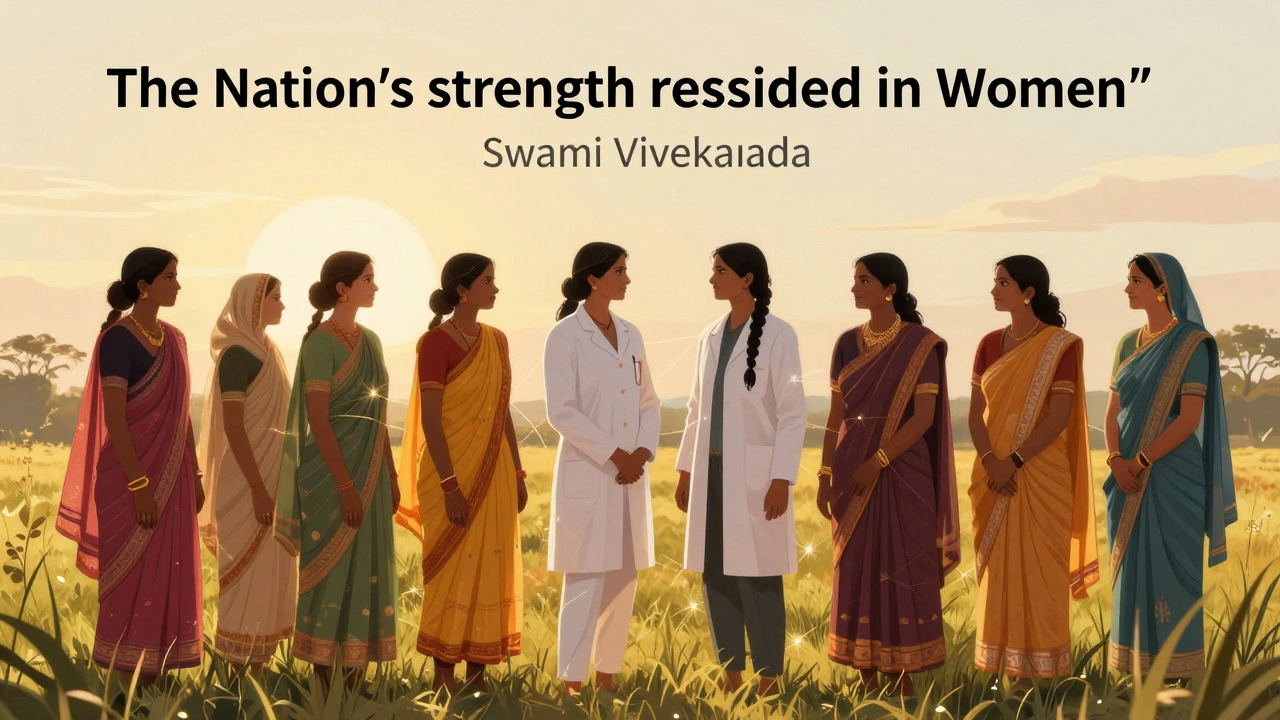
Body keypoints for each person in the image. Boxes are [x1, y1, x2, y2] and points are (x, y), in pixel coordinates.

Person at [56, 247, 205, 696]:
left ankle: (153, 689)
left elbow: (182, 415)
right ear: (144, 286)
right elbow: (116, 419)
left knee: (167, 577)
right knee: (130, 581)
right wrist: (140, 484)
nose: (177, 285)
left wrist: (194, 475)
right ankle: (125, 693)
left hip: (174, 477)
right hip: (129, 480)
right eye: (170, 277)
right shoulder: (118, 339)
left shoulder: (175, 338)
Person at [816, 253, 960, 697]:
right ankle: (867, 676)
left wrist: (877, 462)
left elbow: (922, 418)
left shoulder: (921, 344)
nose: (855, 287)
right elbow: (836, 415)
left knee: (902, 564)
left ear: (890, 288)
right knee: (859, 566)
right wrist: (825, 473)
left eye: (864, 280)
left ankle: (904, 679)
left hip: (902, 473)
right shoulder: (844, 343)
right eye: (854, 279)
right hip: (850, 471)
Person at [673, 243, 806, 697]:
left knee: (759, 578)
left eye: (720, 271)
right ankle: (731, 677)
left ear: (747, 278)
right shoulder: (708, 335)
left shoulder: (779, 334)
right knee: (717, 575)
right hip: (710, 475)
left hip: (755, 476)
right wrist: (686, 471)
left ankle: (769, 680)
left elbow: (791, 413)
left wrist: (782, 477)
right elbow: (696, 409)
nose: (712, 279)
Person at [396, 254, 528, 693]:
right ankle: (443, 675)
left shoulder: (498, 340)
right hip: (448, 476)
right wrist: (451, 486)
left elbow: (500, 410)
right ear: (462, 290)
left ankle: (477, 672)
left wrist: (518, 470)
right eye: (488, 281)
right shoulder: (435, 342)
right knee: (449, 568)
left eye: (495, 279)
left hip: (495, 474)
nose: (495, 288)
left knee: (489, 565)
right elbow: (432, 421)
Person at [1104, 253, 1236, 678]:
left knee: (1172, 574)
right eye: (1128, 280)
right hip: (1125, 476)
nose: (1128, 288)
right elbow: (1112, 412)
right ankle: (1131, 673)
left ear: (1162, 287)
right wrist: (1116, 461)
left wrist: (1141, 460)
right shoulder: (1127, 343)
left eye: (1136, 281)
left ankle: (1177, 674)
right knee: (1131, 573)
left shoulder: (1192, 343)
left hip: (1173, 476)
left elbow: (1189, 418)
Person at [968, 256, 1097, 682]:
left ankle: (1044, 680)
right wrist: (992, 463)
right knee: (1002, 575)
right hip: (994, 476)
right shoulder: (988, 344)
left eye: (1002, 283)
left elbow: (1058, 415)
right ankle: (1002, 673)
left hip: (1040, 476)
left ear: (1028, 293)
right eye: (994, 282)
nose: (993, 290)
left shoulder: (1059, 344)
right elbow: (976, 415)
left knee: (1041, 578)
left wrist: (1014, 463)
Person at [274, 251, 400, 688]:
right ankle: (325, 682)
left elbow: (377, 415)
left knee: (368, 567)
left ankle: (355, 679)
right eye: (368, 279)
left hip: (373, 475)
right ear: (344, 288)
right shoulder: (319, 343)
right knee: (329, 572)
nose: (375, 287)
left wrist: (392, 474)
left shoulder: (373, 341)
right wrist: (345, 485)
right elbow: (319, 420)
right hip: (330, 478)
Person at [543, 242, 661, 695]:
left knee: (623, 576)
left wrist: (642, 453)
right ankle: (572, 681)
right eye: (619, 271)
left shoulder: (631, 334)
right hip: (592, 472)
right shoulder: (564, 337)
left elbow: (649, 401)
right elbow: (563, 412)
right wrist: (615, 455)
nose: (627, 279)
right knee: (586, 578)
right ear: (593, 278)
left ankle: (608, 675)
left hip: (630, 475)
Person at [196, 273, 297, 675]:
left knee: (271, 577)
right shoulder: (238, 355)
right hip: (246, 483)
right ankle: (233, 679)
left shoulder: (269, 351)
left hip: (275, 480)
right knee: (243, 579)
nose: (282, 305)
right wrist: (257, 488)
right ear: (253, 304)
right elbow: (234, 427)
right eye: (275, 297)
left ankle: (258, 677)